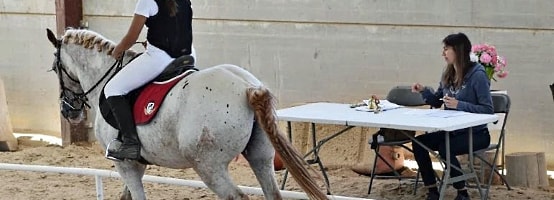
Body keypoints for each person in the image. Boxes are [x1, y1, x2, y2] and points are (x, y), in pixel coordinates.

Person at [104, 0, 194, 161]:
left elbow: (132, 37)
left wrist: (117, 50)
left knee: (112, 89)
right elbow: (177, 27)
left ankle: (131, 143)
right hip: (188, 54)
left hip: (161, 58)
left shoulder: (147, 1)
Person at [411, 32, 493, 200]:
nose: (443, 53)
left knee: (444, 147)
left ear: (458, 50)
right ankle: (432, 190)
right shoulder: (447, 73)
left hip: (476, 134)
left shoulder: (478, 75)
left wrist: (459, 105)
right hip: (453, 131)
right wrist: (423, 91)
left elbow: (487, 109)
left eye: (446, 49)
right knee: (418, 143)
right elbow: (437, 100)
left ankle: (462, 191)